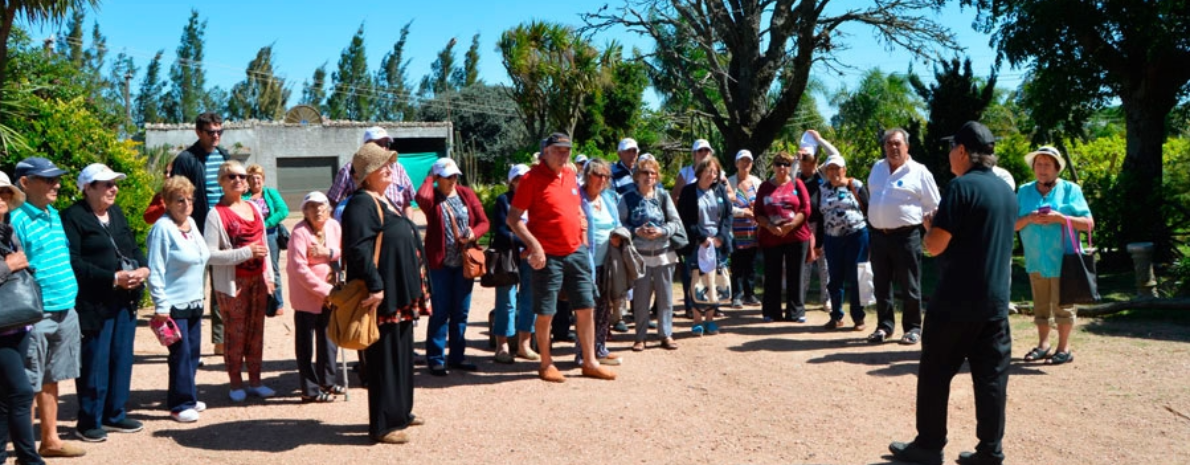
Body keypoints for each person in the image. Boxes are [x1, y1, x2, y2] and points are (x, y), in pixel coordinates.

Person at [889, 121, 1016, 465]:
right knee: (991, 379)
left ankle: (929, 446)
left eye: (950, 148)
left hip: (956, 301)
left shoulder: (960, 188)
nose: (948, 155)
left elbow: (935, 246)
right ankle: (990, 451)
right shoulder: (1007, 191)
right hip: (995, 302)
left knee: (935, 372)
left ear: (963, 151)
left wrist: (929, 227)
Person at [508, 132, 616, 382]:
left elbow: (575, 206)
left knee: (586, 306)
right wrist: (534, 246)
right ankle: (546, 363)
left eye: (566, 150)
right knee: (546, 312)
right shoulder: (530, 179)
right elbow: (513, 218)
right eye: (557, 150)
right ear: (545, 151)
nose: (563, 154)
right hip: (547, 255)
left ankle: (590, 362)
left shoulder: (569, 174)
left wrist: (582, 233)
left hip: (575, 251)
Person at [341, 143, 430, 444]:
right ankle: (383, 424)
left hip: (398, 295)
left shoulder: (382, 199)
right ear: (367, 174)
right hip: (382, 296)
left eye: (389, 164)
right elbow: (357, 249)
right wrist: (376, 285)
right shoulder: (360, 204)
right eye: (383, 166)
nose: (390, 169)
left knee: (401, 355)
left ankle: (400, 412)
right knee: (384, 360)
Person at [61, 164, 148, 442]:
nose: (113, 189)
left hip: (124, 299)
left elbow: (132, 247)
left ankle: (115, 414)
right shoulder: (73, 217)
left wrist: (143, 269)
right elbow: (73, 262)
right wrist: (112, 278)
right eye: (106, 184)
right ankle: (89, 420)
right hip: (94, 302)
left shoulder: (117, 213)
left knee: (121, 358)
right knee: (94, 361)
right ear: (87, 188)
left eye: (114, 183)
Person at [11, 157, 86, 458]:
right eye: (48, 179)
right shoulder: (16, 219)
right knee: (27, 382)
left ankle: (50, 440)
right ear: (25, 184)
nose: (56, 184)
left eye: (56, 178)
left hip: (65, 308)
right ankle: (25, 450)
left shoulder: (53, 214)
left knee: (51, 377)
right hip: (36, 314)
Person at [204, 161, 276, 402]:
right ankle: (235, 382)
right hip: (233, 283)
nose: (238, 180)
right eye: (231, 176)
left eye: (242, 176)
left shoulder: (254, 207)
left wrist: (270, 276)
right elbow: (210, 254)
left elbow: (264, 243)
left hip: (258, 280)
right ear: (221, 181)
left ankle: (255, 380)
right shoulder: (216, 214)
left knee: (257, 331)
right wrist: (245, 253)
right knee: (235, 332)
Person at [1016, 146, 1092, 366]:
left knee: (1064, 305)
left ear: (1057, 168)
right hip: (1035, 259)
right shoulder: (1024, 191)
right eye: (1038, 164)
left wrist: (1061, 218)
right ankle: (1043, 345)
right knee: (1040, 305)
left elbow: (1089, 224)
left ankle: (1064, 348)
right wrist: (1029, 217)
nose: (1042, 169)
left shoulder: (1071, 190)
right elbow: (1012, 224)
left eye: (1047, 164)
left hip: (1064, 259)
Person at [415, 158, 490, 376]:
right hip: (440, 264)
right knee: (440, 312)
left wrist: (473, 234)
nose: (452, 180)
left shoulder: (466, 194)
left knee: (461, 311)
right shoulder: (433, 198)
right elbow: (421, 197)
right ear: (438, 178)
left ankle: (458, 356)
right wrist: (430, 177)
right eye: (447, 177)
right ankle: (436, 358)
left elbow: (484, 221)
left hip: (464, 263)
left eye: (455, 176)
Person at [865, 128, 940, 344]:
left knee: (910, 284)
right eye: (889, 144)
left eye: (897, 143)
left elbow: (934, 205)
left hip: (906, 236)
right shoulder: (877, 168)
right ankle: (884, 326)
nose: (893, 148)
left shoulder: (919, 171)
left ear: (907, 146)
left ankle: (913, 328)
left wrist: (932, 235)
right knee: (881, 284)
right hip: (879, 235)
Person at [146, 176, 210, 423]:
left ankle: (189, 395)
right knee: (180, 354)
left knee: (193, 353)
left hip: (195, 300)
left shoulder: (191, 223)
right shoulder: (162, 228)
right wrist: (161, 305)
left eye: (189, 199)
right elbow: (156, 268)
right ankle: (179, 403)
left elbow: (203, 255)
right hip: (173, 303)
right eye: (179, 200)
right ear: (168, 203)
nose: (186, 204)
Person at [171, 112, 232, 356]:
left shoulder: (224, 156)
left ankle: (220, 342)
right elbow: (176, 193)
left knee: (222, 287)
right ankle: (187, 344)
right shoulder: (186, 159)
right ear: (198, 132)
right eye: (211, 132)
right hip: (195, 229)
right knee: (194, 286)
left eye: (219, 131)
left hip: (222, 229)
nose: (216, 136)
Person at [0, 171, 45, 465]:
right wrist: (9, 265)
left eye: (5, 193)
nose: (3, 199)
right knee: (20, 392)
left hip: (16, 323)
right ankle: (29, 459)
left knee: (5, 400)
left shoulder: (7, 230)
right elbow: (11, 266)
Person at [619, 156, 682, 351]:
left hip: (664, 254)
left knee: (665, 298)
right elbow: (619, 224)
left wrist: (662, 231)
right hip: (639, 257)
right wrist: (636, 231)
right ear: (637, 176)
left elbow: (676, 223)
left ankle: (666, 334)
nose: (649, 176)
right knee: (640, 299)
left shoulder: (663, 196)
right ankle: (640, 336)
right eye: (645, 172)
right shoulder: (627, 198)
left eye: (653, 173)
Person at [287, 191, 344, 402]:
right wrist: (324, 289)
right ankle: (309, 390)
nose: (317, 210)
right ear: (305, 211)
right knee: (305, 344)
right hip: (306, 295)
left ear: (328, 209)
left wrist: (327, 253)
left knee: (329, 339)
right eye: (311, 207)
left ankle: (327, 382)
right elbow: (298, 268)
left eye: (321, 206)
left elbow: (342, 251)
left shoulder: (334, 226)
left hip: (330, 294)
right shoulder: (299, 232)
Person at [755, 151, 813, 323]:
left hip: (795, 236)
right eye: (779, 164)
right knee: (772, 274)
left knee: (796, 274)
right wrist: (770, 226)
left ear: (790, 167)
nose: (782, 167)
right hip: (771, 236)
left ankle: (796, 312)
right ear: (773, 166)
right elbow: (757, 212)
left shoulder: (798, 184)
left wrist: (791, 225)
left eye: (786, 164)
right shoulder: (765, 186)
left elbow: (806, 209)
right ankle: (771, 312)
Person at [677, 157, 733, 335]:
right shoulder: (688, 191)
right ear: (700, 171)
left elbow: (728, 216)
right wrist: (702, 238)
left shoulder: (720, 190)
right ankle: (696, 320)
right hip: (696, 243)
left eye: (715, 172)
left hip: (717, 242)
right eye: (709, 170)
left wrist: (721, 237)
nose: (713, 175)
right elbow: (685, 218)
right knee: (697, 281)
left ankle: (710, 319)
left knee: (714, 281)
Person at [490, 164, 538, 363]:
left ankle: (524, 345)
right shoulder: (503, 200)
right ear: (512, 181)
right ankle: (502, 346)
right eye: (518, 178)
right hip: (509, 257)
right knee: (506, 301)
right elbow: (502, 230)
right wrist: (528, 243)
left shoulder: (535, 200)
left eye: (526, 177)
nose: (522, 181)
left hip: (531, 257)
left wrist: (532, 248)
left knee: (530, 300)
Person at [579, 159, 625, 365]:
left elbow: (618, 224)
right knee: (586, 309)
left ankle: (600, 348)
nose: (603, 180)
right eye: (598, 175)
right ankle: (583, 353)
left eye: (606, 176)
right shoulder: (578, 198)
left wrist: (618, 236)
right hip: (585, 263)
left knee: (604, 308)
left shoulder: (608, 199)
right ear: (588, 175)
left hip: (607, 264)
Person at [818, 155, 870, 330]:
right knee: (835, 278)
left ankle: (859, 317)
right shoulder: (822, 189)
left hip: (857, 236)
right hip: (832, 238)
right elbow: (819, 217)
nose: (833, 172)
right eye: (830, 169)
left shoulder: (855, 185)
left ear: (844, 170)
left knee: (858, 276)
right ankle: (836, 316)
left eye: (837, 168)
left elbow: (869, 208)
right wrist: (818, 242)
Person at [327, 126, 415, 217]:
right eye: (379, 144)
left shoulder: (399, 168)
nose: (384, 148)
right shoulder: (350, 169)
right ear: (367, 146)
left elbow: (407, 204)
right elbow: (332, 202)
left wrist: (409, 227)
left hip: (395, 226)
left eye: (387, 144)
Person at [798, 130, 836, 313]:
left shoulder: (822, 173)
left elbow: (835, 155)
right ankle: (800, 300)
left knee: (825, 265)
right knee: (804, 265)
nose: (806, 163)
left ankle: (826, 299)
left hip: (822, 225)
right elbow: (788, 180)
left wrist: (820, 140)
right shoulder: (795, 176)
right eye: (803, 159)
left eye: (809, 159)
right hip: (802, 226)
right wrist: (795, 161)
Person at [244, 163, 289, 314]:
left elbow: (283, 210)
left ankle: (278, 303)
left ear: (263, 179)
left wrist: (265, 223)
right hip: (251, 236)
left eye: (258, 178)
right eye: (252, 178)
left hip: (270, 234)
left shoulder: (271, 193)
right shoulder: (243, 197)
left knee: (273, 269)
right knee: (253, 269)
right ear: (248, 181)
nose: (256, 181)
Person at [727, 150, 763, 309]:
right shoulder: (729, 182)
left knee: (751, 264)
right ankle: (736, 295)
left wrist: (757, 212)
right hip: (735, 231)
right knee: (736, 265)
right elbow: (727, 207)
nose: (745, 164)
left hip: (753, 231)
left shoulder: (757, 182)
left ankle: (750, 294)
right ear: (736, 163)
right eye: (742, 160)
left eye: (748, 161)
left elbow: (762, 203)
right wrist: (743, 212)